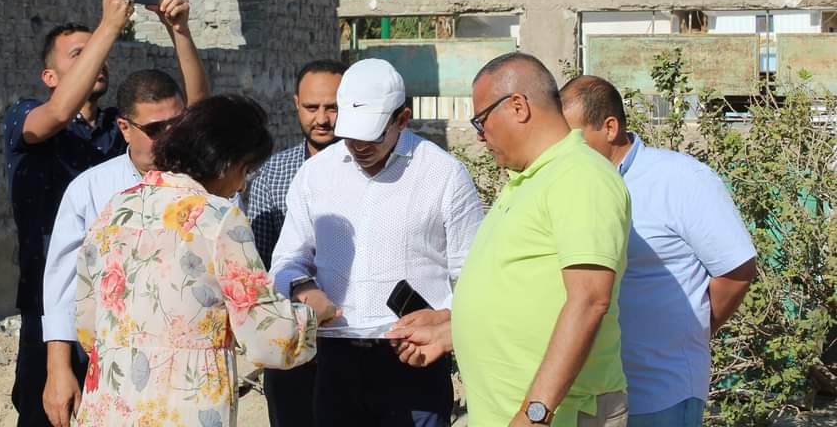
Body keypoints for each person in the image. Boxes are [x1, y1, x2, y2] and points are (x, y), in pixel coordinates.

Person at [3, 0, 208, 427]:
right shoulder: (24, 117)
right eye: (80, 53)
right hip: (51, 310)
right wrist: (110, 25)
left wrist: (179, 32)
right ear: (49, 75)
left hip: (127, 318)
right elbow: (58, 111)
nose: (98, 57)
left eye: (100, 49)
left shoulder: (125, 129)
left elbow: (197, 120)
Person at [391, 53, 632, 427]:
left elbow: (589, 301)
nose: (479, 134)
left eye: (481, 120)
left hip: (557, 416)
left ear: (518, 106)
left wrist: (535, 412)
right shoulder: (529, 180)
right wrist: (453, 329)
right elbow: (525, 297)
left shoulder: (580, 176)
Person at [73, 94, 328, 426]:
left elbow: (87, 322)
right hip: (183, 405)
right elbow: (267, 337)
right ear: (224, 162)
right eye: (245, 170)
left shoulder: (115, 209)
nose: (242, 185)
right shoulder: (218, 219)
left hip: (109, 402)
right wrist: (313, 314)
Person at [270, 58, 485, 427]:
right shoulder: (314, 175)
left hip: (413, 357)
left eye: (371, 136)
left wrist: (446, 318)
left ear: (402, 119)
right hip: (333, 357)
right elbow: (287, 260)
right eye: (349, 134)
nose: (358, 146)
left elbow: (473, 275)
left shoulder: (444, 175)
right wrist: (303, 288)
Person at [560, 75, 757, 427]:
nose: (565, 149)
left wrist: (694, 329)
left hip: (660, 392)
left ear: (610, 128)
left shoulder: (680, 179)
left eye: (574, 137)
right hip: (593, 393)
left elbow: (736, 271)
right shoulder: (575, 186)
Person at [40, 69, 207, 427]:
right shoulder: (90, 190)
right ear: (125, 128)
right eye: (155, 129)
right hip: (111, 369)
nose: (169, 138)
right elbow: (62, 286)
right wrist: (58, 369)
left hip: (189, 373)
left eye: (177, 125)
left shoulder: (207, 186)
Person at [241, 58, 345, 427]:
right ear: (296, 104)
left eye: (332, 107)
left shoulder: (374, 171)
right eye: (312, 107)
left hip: (356, 339)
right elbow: (262, 263)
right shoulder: (272, 174)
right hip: (294, 341)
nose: (322, 119)